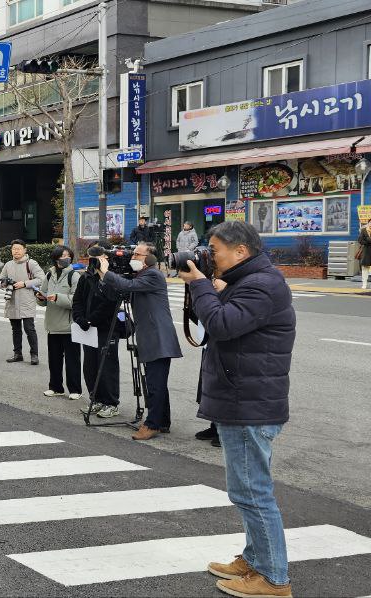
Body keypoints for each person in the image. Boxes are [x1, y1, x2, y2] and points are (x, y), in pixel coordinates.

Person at [178, 221, 295, 598]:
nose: (209, 256)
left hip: (250, 403)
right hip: (242, 397)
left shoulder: (262, 284)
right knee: (247, 490)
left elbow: (223, 325)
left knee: (252, 493)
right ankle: (254, 559)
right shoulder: (249, 281)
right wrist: (209, 287)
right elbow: (217, 322)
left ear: (240, 251)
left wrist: (198, 284)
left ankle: (274, 579)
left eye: (214, 250)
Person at [96, 242, 183, 440]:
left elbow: (127, 286)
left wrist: (107, 272)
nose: (133, 257)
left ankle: (152, 424)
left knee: (154, 384)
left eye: (137, 255)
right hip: (152, 337)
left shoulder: (152, 275)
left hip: (158, 337)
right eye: (133, 254)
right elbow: (122, 291)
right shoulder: (142, 276)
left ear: (150, 258)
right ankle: (162, 421)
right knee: (157, 382)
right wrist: (103, 276)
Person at [73, 241, 123, 419]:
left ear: (105, 257)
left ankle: (111, 403)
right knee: (90, 366)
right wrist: (79, 319)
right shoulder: (86, 276)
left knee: (107, 366)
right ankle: (96, 399)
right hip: (87, 329)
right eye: (91, 257)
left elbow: (109, 303)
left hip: (106, 328)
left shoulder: (112, 277)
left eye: (97, 257)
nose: (92, 261)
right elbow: (77, 300)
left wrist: (90, 319)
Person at [37, 245, 82, 400]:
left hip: (69, 326)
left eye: (67, 255)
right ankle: (55, 387)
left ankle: (75, 389)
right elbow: (43, 296)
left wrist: (57, 297)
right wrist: (40, 298)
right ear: (56, 258)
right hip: (52, 324)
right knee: (54, 359)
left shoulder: (74, 276)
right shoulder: (49, 275)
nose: (66, 257)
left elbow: (77, 301)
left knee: (72, 361)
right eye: (62, 255)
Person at [0, 240, 46, 365]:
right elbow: (0, 281)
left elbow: (41, 279)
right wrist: (3, 283)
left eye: (19, 248)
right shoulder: (8, 264)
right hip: (12, 300)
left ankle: (34, 355)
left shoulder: (31, 263)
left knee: (29, 329)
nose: (16, 251)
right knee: (16, 329)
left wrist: (25, 283)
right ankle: (17, 354)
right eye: (14, 248)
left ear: (25, 250)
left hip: (26, 300)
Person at [357, 219, 371, 289]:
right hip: (366, 251)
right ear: (368, 223)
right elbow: (360, 240)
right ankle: (364, 283)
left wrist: (368, 239)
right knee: (365, 268)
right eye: (370, 222)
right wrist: (368, 241)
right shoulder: (364, 230)